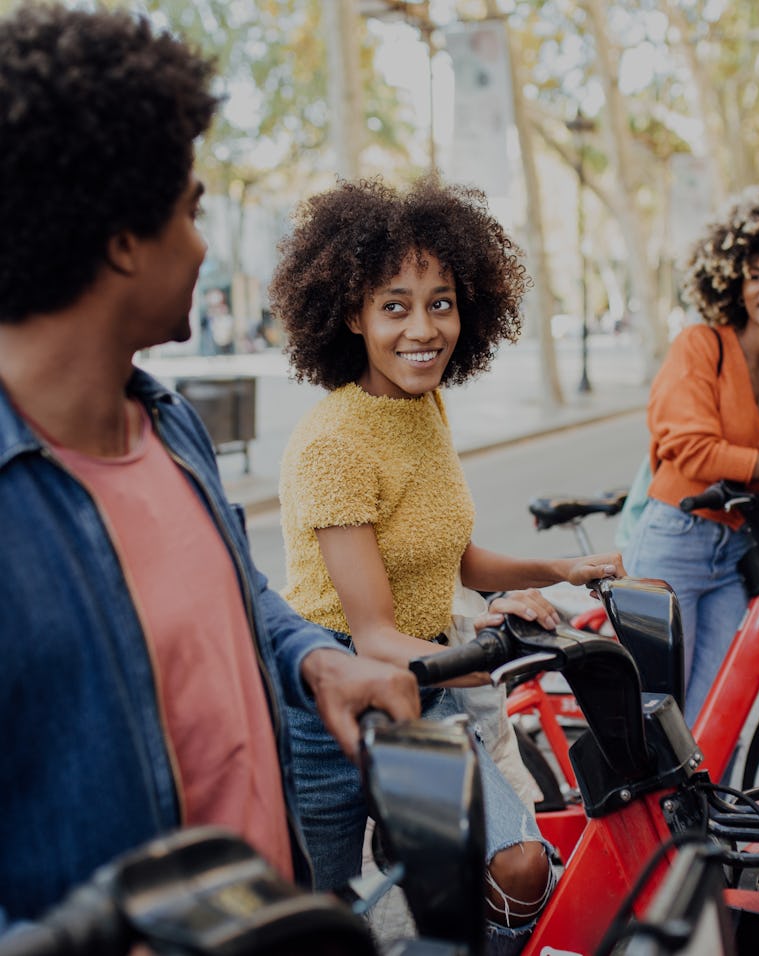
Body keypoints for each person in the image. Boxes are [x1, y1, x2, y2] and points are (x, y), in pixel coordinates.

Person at [0, 3, 421, 932]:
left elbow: (238, 595)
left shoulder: (171, 424)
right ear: (120, 240)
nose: (202, 245)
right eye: (190, 211)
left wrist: (318, 663)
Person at [270, 175, 625, 954]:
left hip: (428, 689)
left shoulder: (425, 407)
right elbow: (371, 637)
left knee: (522, 863)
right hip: (328, 710)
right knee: (323, 924)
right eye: (394, 305)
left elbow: (456, 558)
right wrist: (506, 657)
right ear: (352, 315)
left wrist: (553, 578)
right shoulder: (333, 443)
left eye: (442, 302)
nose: (423, 328)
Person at [624, 178, 759, 724]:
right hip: (675, 541)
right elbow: (693, 451)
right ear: (734, 280)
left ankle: (698, 813)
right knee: (657, 718)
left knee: (716, 718)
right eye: (757, 274)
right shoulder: (700, 346)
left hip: (741, 550)